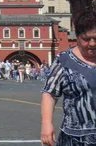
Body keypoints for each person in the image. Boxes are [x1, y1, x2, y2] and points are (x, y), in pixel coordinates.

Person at [41, 9, 96, 146]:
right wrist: (47, 124)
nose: (92, 43)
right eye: (86, 39)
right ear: (77, 36)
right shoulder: (64, 60)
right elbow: (49, 93)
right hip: (75, 137)